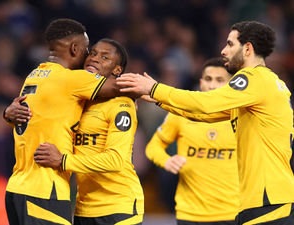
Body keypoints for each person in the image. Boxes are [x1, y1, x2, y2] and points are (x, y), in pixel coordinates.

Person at [116, 21, 294, 224]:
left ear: (247, 48)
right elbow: (204, 116)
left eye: (230, 44)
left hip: (265, 199)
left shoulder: (254, 78)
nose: (223, 50)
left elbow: (206, 103)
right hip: (263, 198)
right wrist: (159, 99)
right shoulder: (267, 83)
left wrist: (155, 88)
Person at [3, 19, 125, 225]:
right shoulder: (71, 79)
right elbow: (119, 87)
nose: (90, 57)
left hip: (17, 188)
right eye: (89, 50)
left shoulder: (35, 76)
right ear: (75, 48)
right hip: (44, 191)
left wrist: (7, 113)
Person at [32, 38, 144, 225]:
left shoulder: (121, 104)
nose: (95, 58)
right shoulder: (77, 100)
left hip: (118, 206)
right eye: (92, 53)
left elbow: (115, 160)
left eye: (105, 57)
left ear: (117, 70)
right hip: (84, 207)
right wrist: (11, 113)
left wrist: (63, 160)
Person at [146, 58, 239, 225]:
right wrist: (166, 161)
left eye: (220, 80)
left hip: (232, 213)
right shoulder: (181, 113)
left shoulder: (241, 116)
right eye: (208, 79)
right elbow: (153, 147)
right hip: (189, 213)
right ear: (201, 82)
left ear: (231, 85)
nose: (212, 85)